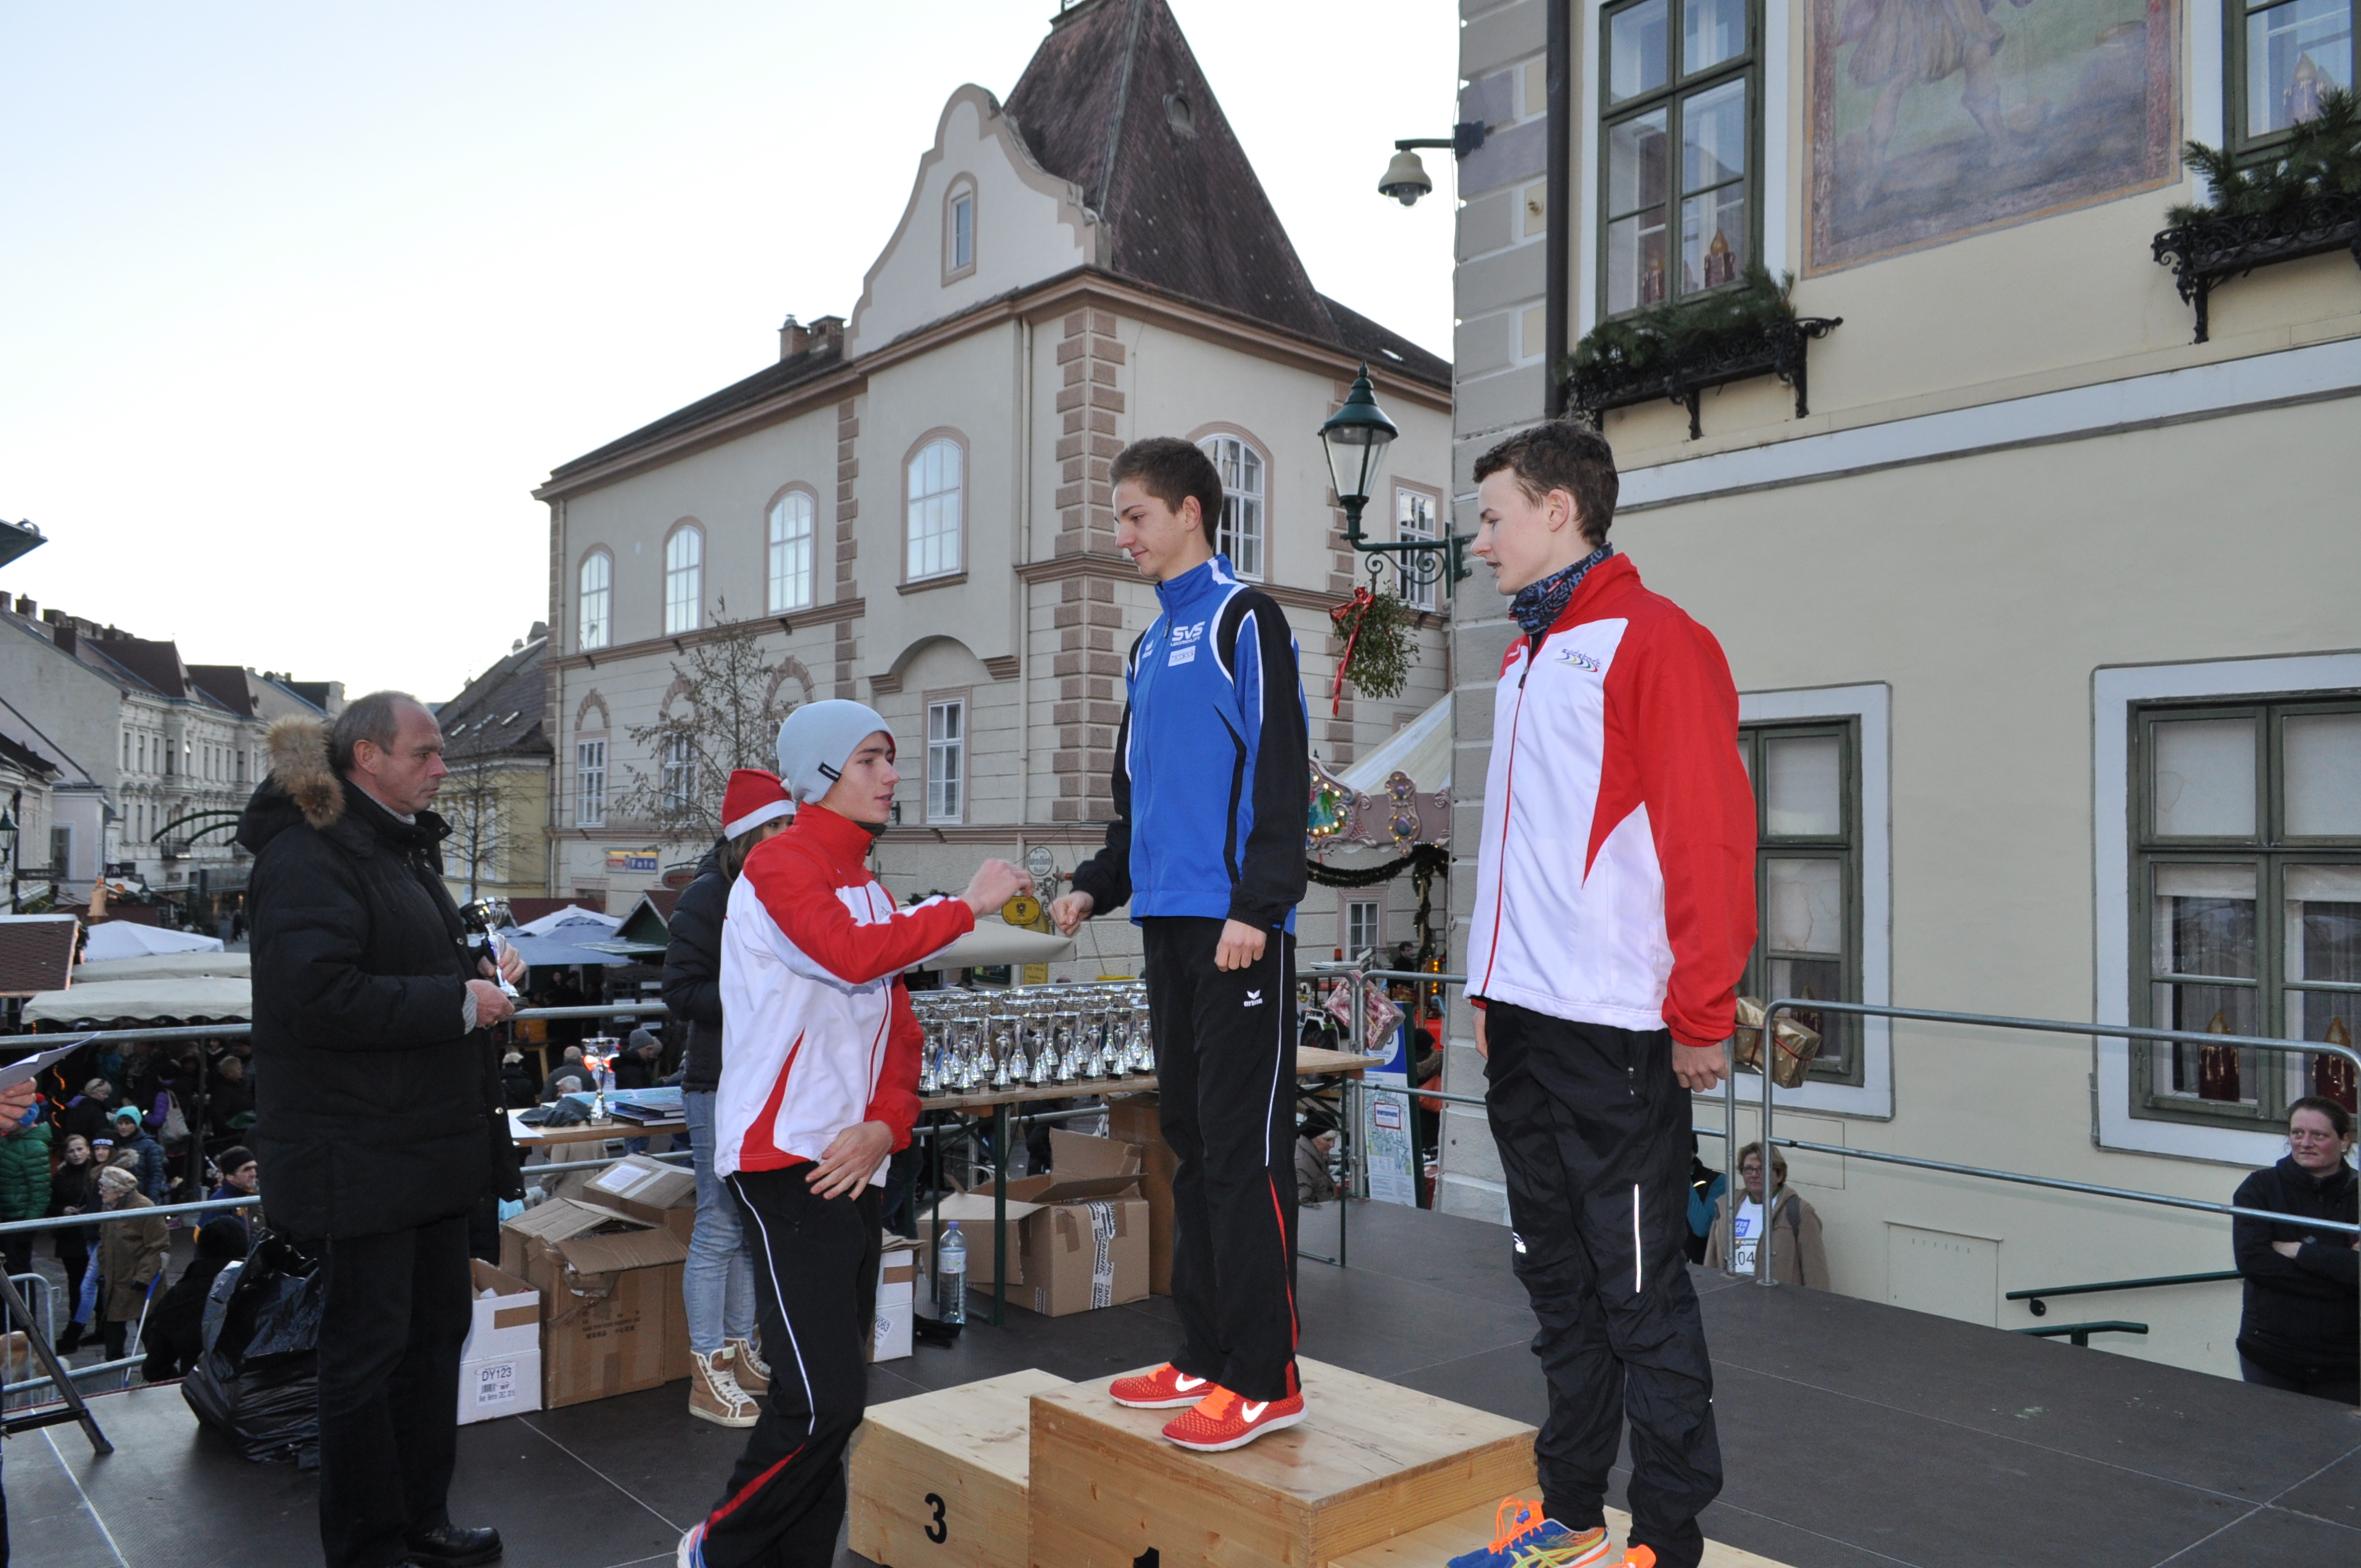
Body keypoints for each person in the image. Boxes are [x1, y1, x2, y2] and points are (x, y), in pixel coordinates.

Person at [1457, 422, 1755, 1568]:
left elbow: (1709, 838)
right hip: (1527, 1023)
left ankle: (1664, 1543)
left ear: (1558, 511)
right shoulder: (1525, 658)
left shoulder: (1658, 640)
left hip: (1616, 1032)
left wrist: (1704, 1016)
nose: (1480, 543)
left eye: (1493, 518)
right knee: (1558, 1289)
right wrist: (1487, 989)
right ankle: (1571, 1515)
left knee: (1640, 1298)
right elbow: (1513, 851)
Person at [676, 703, 1024, 1568]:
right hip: (782, 1160)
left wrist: (884, 1126)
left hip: (852, 1161)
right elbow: (849, 955)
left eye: (890, 758)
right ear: (821, 773)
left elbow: (900, 1032)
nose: (892, 774)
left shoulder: (866, 884)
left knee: (824, 1401)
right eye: (871, 759)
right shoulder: (779, 864)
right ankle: (714, 1550)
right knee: (824, 1401)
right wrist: (965, 906)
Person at [1051, 436, 1313, 1453]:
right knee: (1194, 1148)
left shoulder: (1246, 619)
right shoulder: (1148, 646)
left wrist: (1260, 905)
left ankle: (1267, 1379)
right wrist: (1093, 884)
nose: (1123, 536)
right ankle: (1206, 1354)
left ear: (1190, 513)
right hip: (1166, 921)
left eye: (1136, 516)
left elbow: (1281, 772)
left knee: (1245, 1155)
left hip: (1237, 927)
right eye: (1119, 518)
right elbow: (1139, 805)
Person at [237, 692, 520, 1568]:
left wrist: (476, 970)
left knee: (433, 1341)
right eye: (425, 752)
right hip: (356, 1156)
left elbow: (396, 962)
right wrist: (457, 1000)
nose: (442, 767)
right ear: (367, 757)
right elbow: (316, 997)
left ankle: (420, 1520)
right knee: (365, 1359)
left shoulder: (397, 846)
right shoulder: (307, 854)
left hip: (421, 1149)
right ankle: (367, 1547)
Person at [664, 768, 794, 1431]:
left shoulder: (777, 888)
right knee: (719, 1224)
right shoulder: (707, 895)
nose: (785, 836)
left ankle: (741, 1349)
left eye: (790, 825)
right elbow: (680, 991)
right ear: (746, 834)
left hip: (763, 1077)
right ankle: (706, 1370)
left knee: (748, 1223)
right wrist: (758, 998)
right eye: (775, 826)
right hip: (717, 1081)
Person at [2231, 1095, 2358, 1404]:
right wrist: (2342, 1273)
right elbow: (2254, 1263)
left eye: (2319, 1135)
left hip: (2347, 1361)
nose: (2305, 1143)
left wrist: (2301, 1253)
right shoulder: (2259, 1188)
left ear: (2344, 1140)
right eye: (2297, 1133)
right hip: (2271, 1355)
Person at [140, 1214, 250, 1381]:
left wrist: (189, 1384)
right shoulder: (262, 1287)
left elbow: (154, 1369)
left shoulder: (177, 1298)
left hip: (202, 1390)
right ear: (245, 1248)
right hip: (262, 1389)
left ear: (201, 1249)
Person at [1705, 1144, 1828, 1288]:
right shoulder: (1726, 1208)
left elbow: (1815, 1274)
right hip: (1733, 1298)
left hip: (1779, 1300)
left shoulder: (1800, 1212)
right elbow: (1711, 1263)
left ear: (1780, 1175)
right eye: (1748, 1169)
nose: (1754, 1175)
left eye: (1762, 1169)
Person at [94, 1164, 168, 1361]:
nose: (100, 1192)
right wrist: (103, 1272)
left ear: (119, 1191)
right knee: (112, 1331)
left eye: (104, 1188)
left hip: (140, 1282)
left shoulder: (145, 1209)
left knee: (149, 1331)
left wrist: (144, 1277)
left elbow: (159, 1246)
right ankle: (114, 1367)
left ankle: (158, 1369)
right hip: (116, 1281)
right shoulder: (107, 1207)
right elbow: (104, 1242)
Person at [48, 1133, 102, 1352]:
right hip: (70, 1236)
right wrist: (62, 1210)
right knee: (76, 1283)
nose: (76, 1154)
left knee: (96, 1283)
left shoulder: (97, 1172)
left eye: (80, 1149)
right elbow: (50, 1203)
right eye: (71, 1151)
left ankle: (98, 1329)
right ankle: (76, 1324)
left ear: (88, 1150)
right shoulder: (60, 1176)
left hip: (92, 1235)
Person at [0, 1106, 52, 1284]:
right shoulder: (8, 1141)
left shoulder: (35, 1147)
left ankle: (23, 1303)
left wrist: (28, 1225)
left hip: (19, 1219)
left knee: (18, 1270)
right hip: (6, 1216)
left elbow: (41, 1191)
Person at [109, 1106, 168, 1203]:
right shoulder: (113, 1143)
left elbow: (155, 1175)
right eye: (120, 1123)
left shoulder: (149, 1145)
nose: (123, 1127)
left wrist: (151, 1200)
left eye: (127, 1123)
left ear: (136, 1124)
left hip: (141, 1197)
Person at [1684, 1136, 1726, 1268]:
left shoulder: (1717, 1181)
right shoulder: (1656, 1178)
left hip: (1700, 1269)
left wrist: (1681, 1177)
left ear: (1693, 1152)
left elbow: (1702, 1228)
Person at [1295, 1110, 1339, 1206]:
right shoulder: (1302, 1165)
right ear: (1312, 1137)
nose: (1332, 1145)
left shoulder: (1318, 1155)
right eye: (1327, 1140)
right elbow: (1301, 1205)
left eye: (1334, 1139)